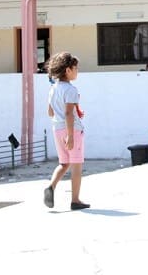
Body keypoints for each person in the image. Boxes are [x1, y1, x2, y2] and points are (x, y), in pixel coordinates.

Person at [43, 52, 89, 211]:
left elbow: (50, 112)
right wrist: (70, 136)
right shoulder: (71, 89)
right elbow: (69, 113)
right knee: (76, 165)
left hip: (57, 129)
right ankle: (75, 200)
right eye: (75, 68)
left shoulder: (53, 89)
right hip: (72, 130)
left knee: (64, 163)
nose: (77, 71)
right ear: (68, 70)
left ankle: (51, 186)